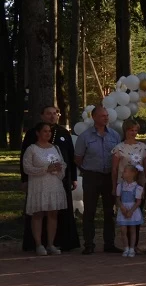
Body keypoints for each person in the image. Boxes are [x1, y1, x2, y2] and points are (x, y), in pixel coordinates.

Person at [20, 105, 80, 252]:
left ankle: (57, 242)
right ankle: (37, 244)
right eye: (49, 114)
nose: (52, 116)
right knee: (38, 212)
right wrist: (24, 179)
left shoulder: (63, 133)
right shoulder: (32, 135)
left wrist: (72, 177)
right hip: (38, 182)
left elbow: (70, 156)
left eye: (55, 113)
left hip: (59, 180)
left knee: (57, 212)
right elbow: (24, 160)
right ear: (42, 116)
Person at [74, 105, 121, 254]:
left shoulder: (115, 135)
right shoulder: (85, 136)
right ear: (94, 117)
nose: (106, 118)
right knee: (89, 211)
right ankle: (89, 244)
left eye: (107, 115)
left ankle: (109, 243)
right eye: (102, 116)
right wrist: (87, 170)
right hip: (91, 177)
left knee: (110, 211)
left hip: (109, 177)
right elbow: (78, 158)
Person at [22, 122, 68, 256]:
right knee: (38, 214)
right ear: (38, 133)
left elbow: (63, 164)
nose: (48, 134)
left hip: (54, 184)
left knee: (53, 213)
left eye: (49, 131)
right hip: (39, 185)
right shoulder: (32, 149)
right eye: (45, 131)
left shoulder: (55, 148)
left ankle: (51, 244)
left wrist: (59, 168)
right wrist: (45, 169)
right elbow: (27, 168)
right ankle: (38, 244)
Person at [111, 117, 146, 251]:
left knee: (136, 213)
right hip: (123, 186)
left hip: (138, 185)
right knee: (125, 213)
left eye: (135, 130)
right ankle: (126, 244)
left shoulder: (142, 147)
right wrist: (114, 186)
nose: (133, 133)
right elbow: (114, 169)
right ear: (125, 131)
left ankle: (135, 244)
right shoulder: (119, 148)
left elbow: (145, 166)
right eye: (130, 130)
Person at [115, 164, 144, 257]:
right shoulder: (120, 186)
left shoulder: (137, 187)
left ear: (132, 173)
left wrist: (131, 211)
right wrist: (122, 207)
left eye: (125, 171)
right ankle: (126, 247)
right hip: (123, 209)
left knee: (132, 230)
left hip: (132, 210)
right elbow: (118, 198)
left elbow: (138, 201)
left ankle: (132, 248)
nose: (123, 173)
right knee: (123, 230)